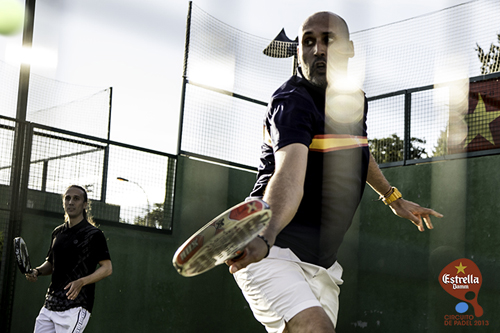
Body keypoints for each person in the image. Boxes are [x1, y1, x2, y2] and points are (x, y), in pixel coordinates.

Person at [226, 11, 443, 333]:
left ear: (350, 49)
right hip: (271, 248)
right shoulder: (292, 102)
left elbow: (357, 151)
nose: (318, 49)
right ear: (299, 51)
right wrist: (265, 235)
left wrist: (393, 197)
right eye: (308, 42)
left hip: (322, 263)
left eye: (328, 40)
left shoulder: (354, 98)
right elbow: (289, 173)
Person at [25, 185, 112, 332]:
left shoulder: (94, 234)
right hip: (49, 305)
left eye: (76, 198)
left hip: (75, 307)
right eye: (68, 198)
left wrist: (81, 282)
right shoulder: (57, 233)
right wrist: (37, 271)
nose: (71, 202)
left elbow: (107, 268)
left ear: (84, 205)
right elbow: (52, 263)